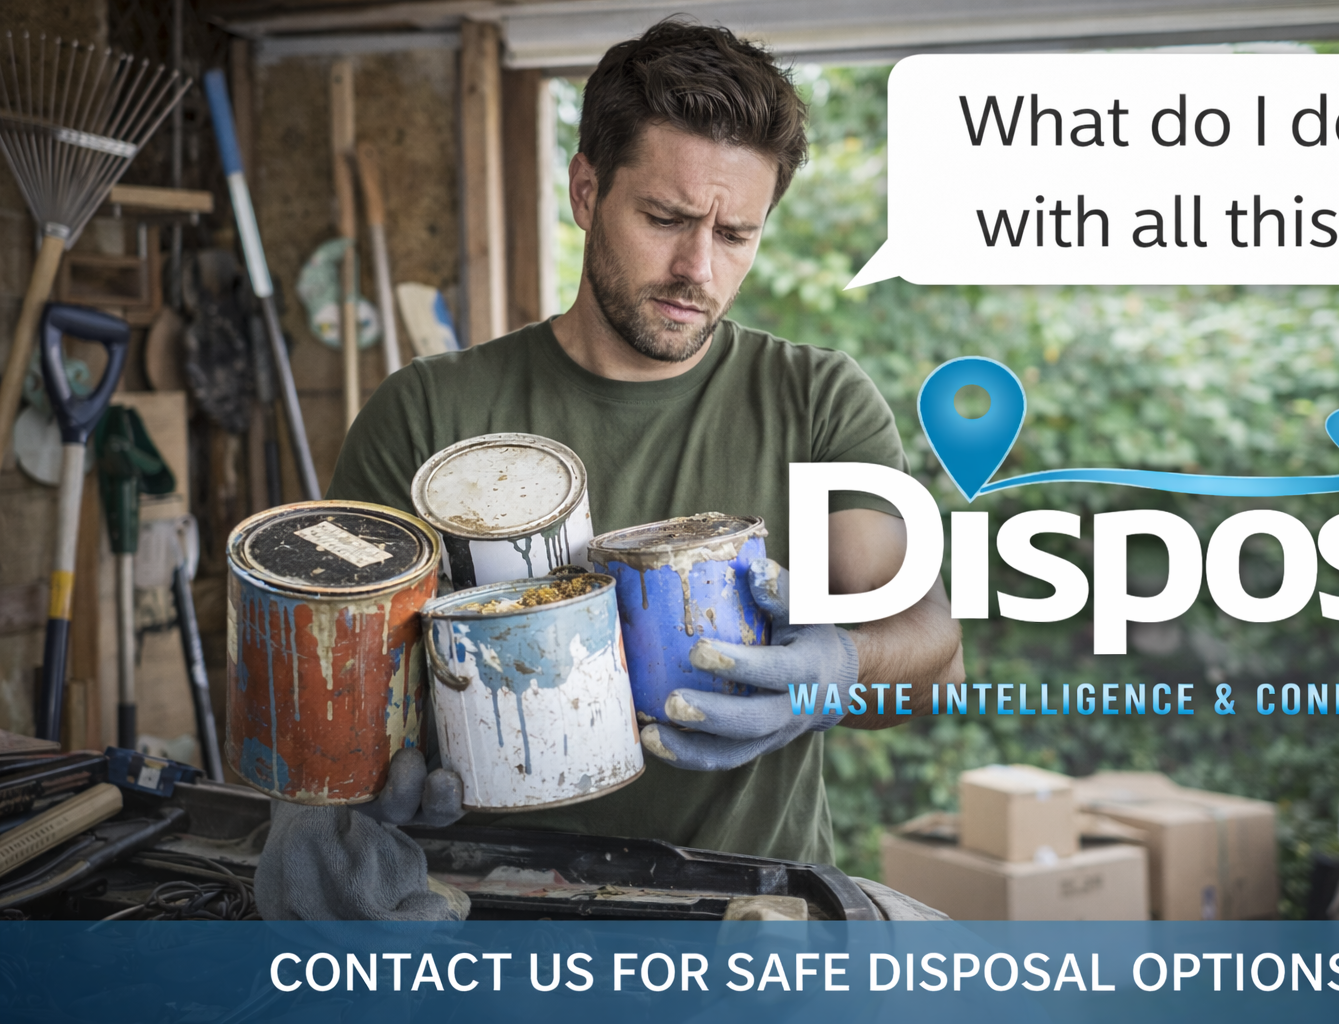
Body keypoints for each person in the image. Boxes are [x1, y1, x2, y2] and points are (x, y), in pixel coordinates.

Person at [254, 18, 962, 921]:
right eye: (664, 219)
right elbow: (338, 690)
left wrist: (838, 670)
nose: (697, 268)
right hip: (485, 898)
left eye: (736, 233)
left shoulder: (816, 397)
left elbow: (932, 645)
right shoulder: (427, 414)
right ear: (587, 190)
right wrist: (358, 786)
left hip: (745, 914)